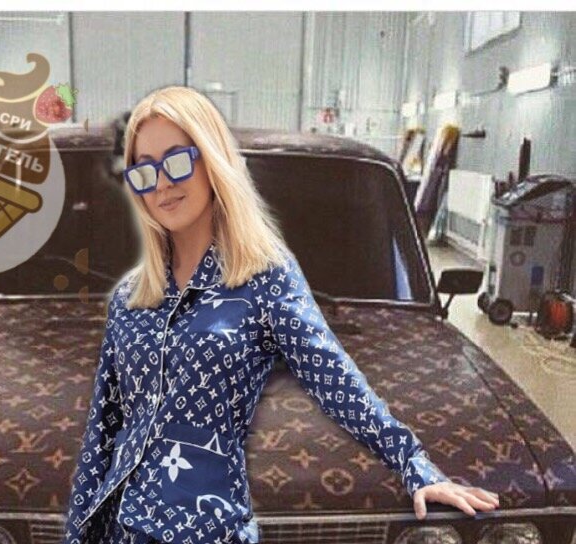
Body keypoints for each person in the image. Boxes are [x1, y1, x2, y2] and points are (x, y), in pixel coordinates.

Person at [62, 86, 500, 544]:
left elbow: (335, 380)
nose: (161, 183)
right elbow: (103, 429)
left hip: (209, 528)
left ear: (212, 160)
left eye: (176, 161)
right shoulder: (130, 298)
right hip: (121, 528)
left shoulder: (264, 278)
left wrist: (415, 465)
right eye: (144, 170)